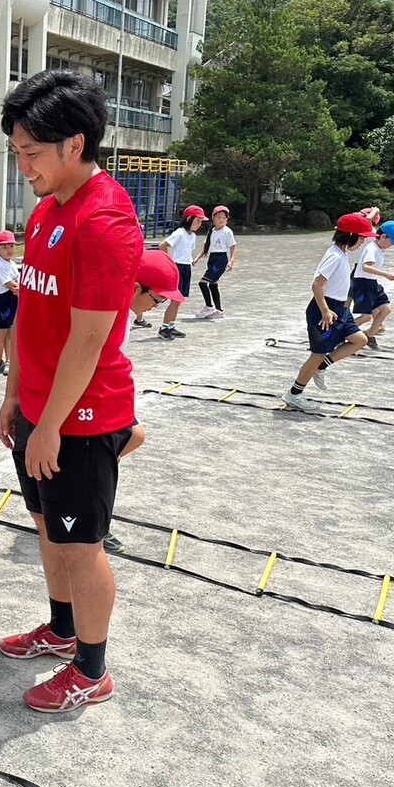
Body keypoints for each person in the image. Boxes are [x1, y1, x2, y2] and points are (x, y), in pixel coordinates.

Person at [0, 69, 142, 713]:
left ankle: (92, 669)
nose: (22, 165)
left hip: (80, 417)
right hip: (39, 408)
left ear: (74, 144)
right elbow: (31, 312)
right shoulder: (47, 211)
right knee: (48, 529)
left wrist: (52, 424)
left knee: (82, 545)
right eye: (16, 153)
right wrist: (14, 395)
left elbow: (89, 340)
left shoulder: (105, 219)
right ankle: (60, 630)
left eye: (30, 152)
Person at [102, 251, 186, 554]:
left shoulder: (124, 312)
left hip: (110, 393)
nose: (156, 306)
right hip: (95, 396)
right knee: (115, 449)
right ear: (136, 287)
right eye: (157, 299)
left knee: (130, 440)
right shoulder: (108, 312)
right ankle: (96, 524)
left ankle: (94, 515)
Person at [281, 214, 374, 412]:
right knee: (317, 353)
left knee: (360, 340)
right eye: (361, 237)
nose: (363, 242)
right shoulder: (334, 255)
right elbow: (317, 285)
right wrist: (325, 310)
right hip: (325, 309)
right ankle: (294, 394)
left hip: (340, 309)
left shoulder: (341, 253)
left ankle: (322, 366)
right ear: (349, 236)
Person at [351, 219, 394, 349]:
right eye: (391, 242)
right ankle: (341, 332)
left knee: (386, 309)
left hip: (372, 283)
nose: (390, 246)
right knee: (366, 317)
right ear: (384, 237)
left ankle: (370, 335)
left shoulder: (378, 248)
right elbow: (366, 267)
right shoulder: (371, 248)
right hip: (363, 284)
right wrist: (385, 274)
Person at [157, 205, 206, 338]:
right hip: (176, 267)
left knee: (179, 300)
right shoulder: (179, 232)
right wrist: (168, 263)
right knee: (174, 300)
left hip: (186, 267)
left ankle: (171, 326)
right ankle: (164, 328)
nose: (199, 224)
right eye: (198, 220)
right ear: (189, 219)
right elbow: (163, 245)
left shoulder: (193, 235)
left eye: (201, 221)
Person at [194, 205, 237, 318]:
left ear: (227, 219)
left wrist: (231, 261)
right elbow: (206, 247)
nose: (221, 220)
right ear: (213, 218)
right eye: (218, 217)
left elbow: (233, 247)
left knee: (202, 283)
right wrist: (197, 258)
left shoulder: (227, 231)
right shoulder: (212, 231)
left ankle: (209, 307)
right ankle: (219, 310)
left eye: (223, 217)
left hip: (220, 259)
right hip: (212, 258)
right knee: (213, 285)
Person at [0, 229, 20, 374]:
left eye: (11, 246)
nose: (8, 250)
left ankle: (9, 361)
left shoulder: (11, 263)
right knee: (1, 333)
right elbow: (11, 285)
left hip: (12, 299)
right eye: (4, 247)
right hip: (3, 300)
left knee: (11, 332)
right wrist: (20, 288)